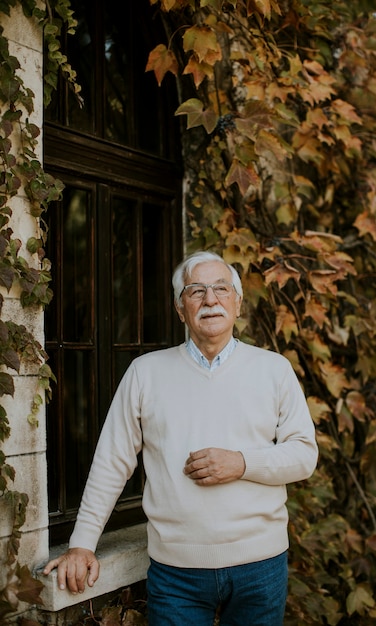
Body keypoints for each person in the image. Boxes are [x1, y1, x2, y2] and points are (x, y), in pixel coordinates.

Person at [43, 250, 318, 626]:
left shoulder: (274, 370)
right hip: (177, 575)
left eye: (222, 288)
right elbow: (112, 462)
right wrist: (81, 544)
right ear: (179, 308)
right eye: (196, 290)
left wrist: (241, 463)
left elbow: (304, 455)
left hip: (261, 568)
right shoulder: (146, 373)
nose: (210, 299)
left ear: (238, 304)